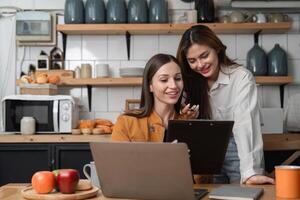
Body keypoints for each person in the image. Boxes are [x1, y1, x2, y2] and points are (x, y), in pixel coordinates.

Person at [176, 25, 275, 185]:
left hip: (237, 148)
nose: (200, 65)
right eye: (192, 61)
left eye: (204, 56)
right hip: (204, 149)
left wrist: (250, 172)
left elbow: (244, 124)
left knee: (243, 193)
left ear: (217, 49)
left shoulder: (241, 77)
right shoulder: (188, 82)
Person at [111, 53, 199, 142]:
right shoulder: (126, 122)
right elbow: (116, 156)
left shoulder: (188, 123)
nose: (174, 85)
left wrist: (186, 123)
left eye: (178, 78)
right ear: (150, 86)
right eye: (164, 80)